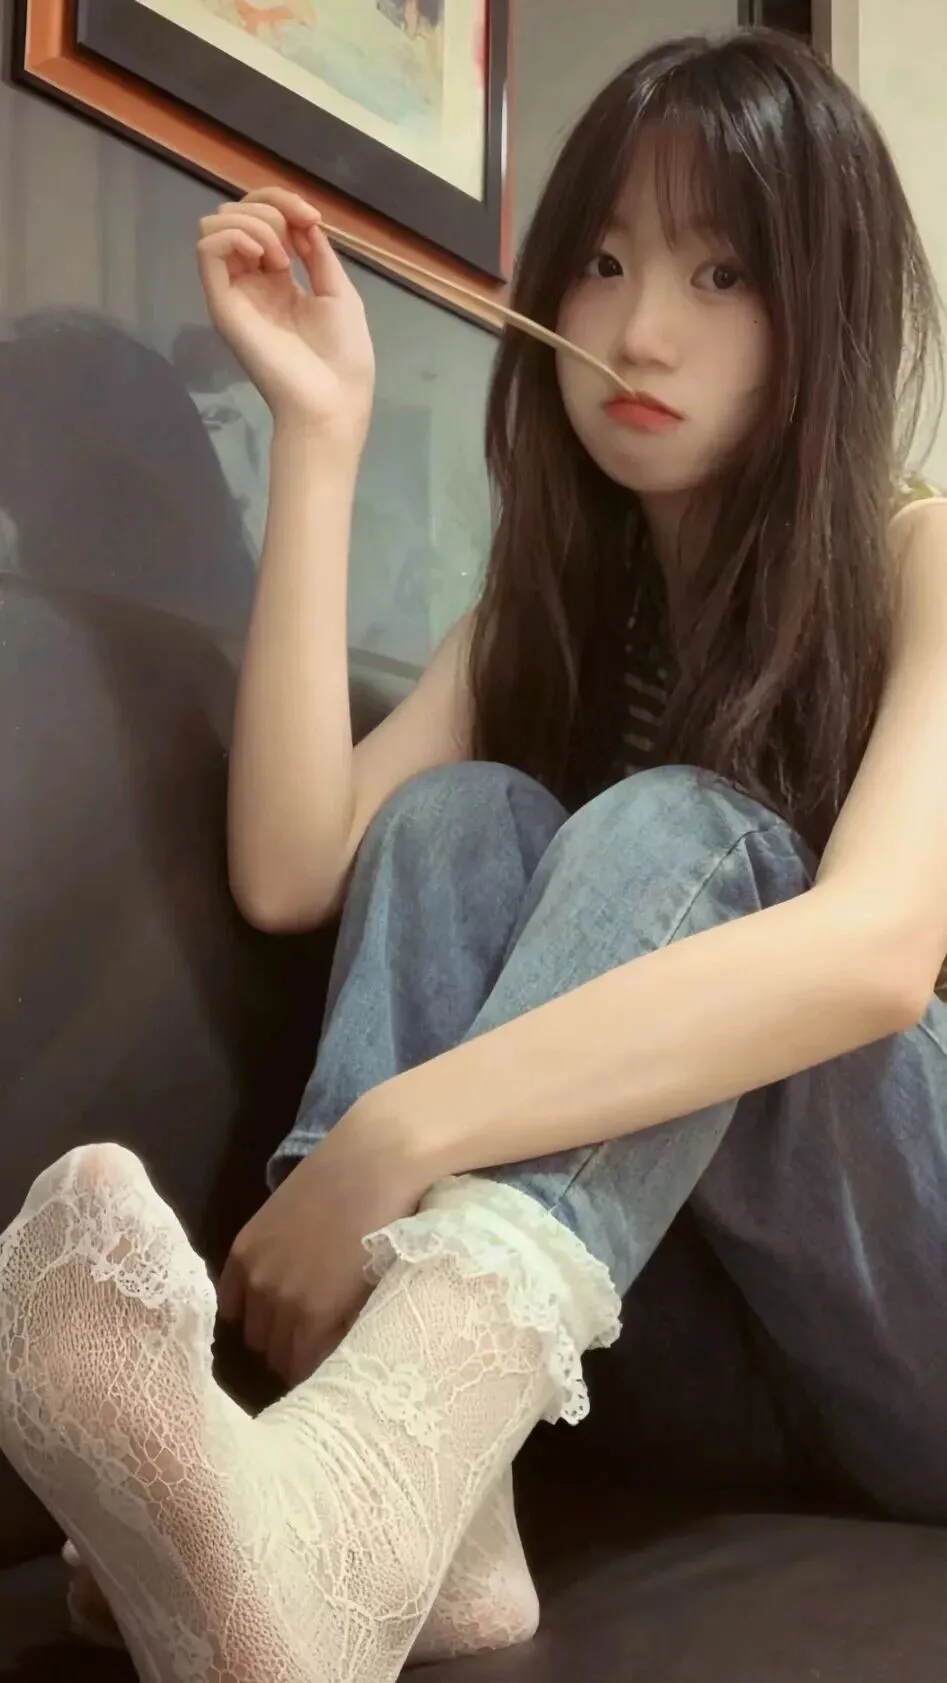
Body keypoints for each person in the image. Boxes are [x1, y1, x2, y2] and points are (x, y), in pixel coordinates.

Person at [4, 23, 947, 1682]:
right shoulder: (543, 613)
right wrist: (321, 430)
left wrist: (397, 1131)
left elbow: (875, 952)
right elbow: (293, 867)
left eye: (722, 273)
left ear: (828, 306)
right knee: (454, 823)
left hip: (911, 1339)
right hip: (679, 1361)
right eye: (601, 262)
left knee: (681, 830)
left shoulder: (916, 550)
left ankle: (348, 1488)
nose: (636, 330)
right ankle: (416, 1509)